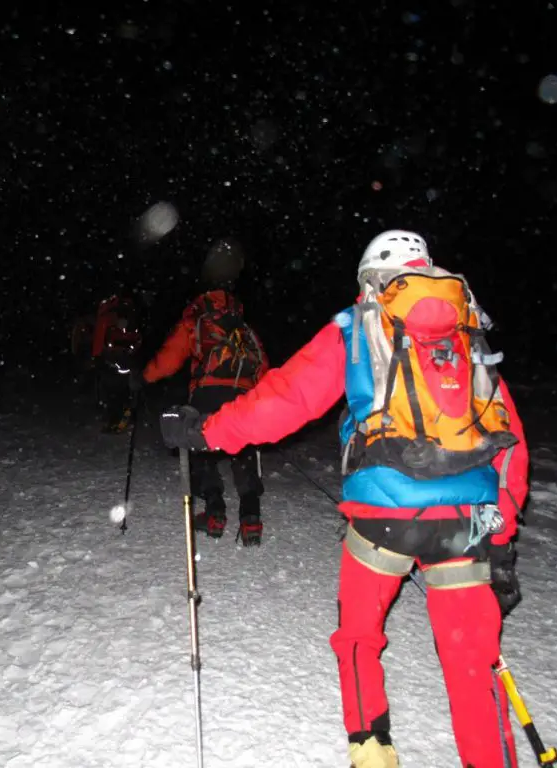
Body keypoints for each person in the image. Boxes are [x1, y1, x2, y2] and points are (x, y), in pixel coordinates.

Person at [159, 230, 528, 768]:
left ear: (368, 277)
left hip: (383, 515)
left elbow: (286, 399)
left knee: (357, 635)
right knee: (472, 660)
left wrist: (209, 433)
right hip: (469, 520)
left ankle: (371, 750)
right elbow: (510, 440)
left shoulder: (356, 326)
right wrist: (502, 531)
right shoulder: (466, 334)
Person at [132, 239, 270, 545]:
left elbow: (169, 358)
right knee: (243, 449)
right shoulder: (241, 324)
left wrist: (144, 377)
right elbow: (262, 366)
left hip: (208, 391)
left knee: (201, 448)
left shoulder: (197, 318)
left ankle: (215, 511)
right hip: (244, 394)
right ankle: (251, 519)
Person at [90, 294, 143, 433]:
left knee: (113, 391)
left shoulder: (108, 313)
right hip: (118, 357)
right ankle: (120, 416)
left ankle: (115, 418)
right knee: (120, 390)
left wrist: (97, 356)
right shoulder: (121, 311)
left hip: (112, 358)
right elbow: (136, 337)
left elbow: (100, 336)